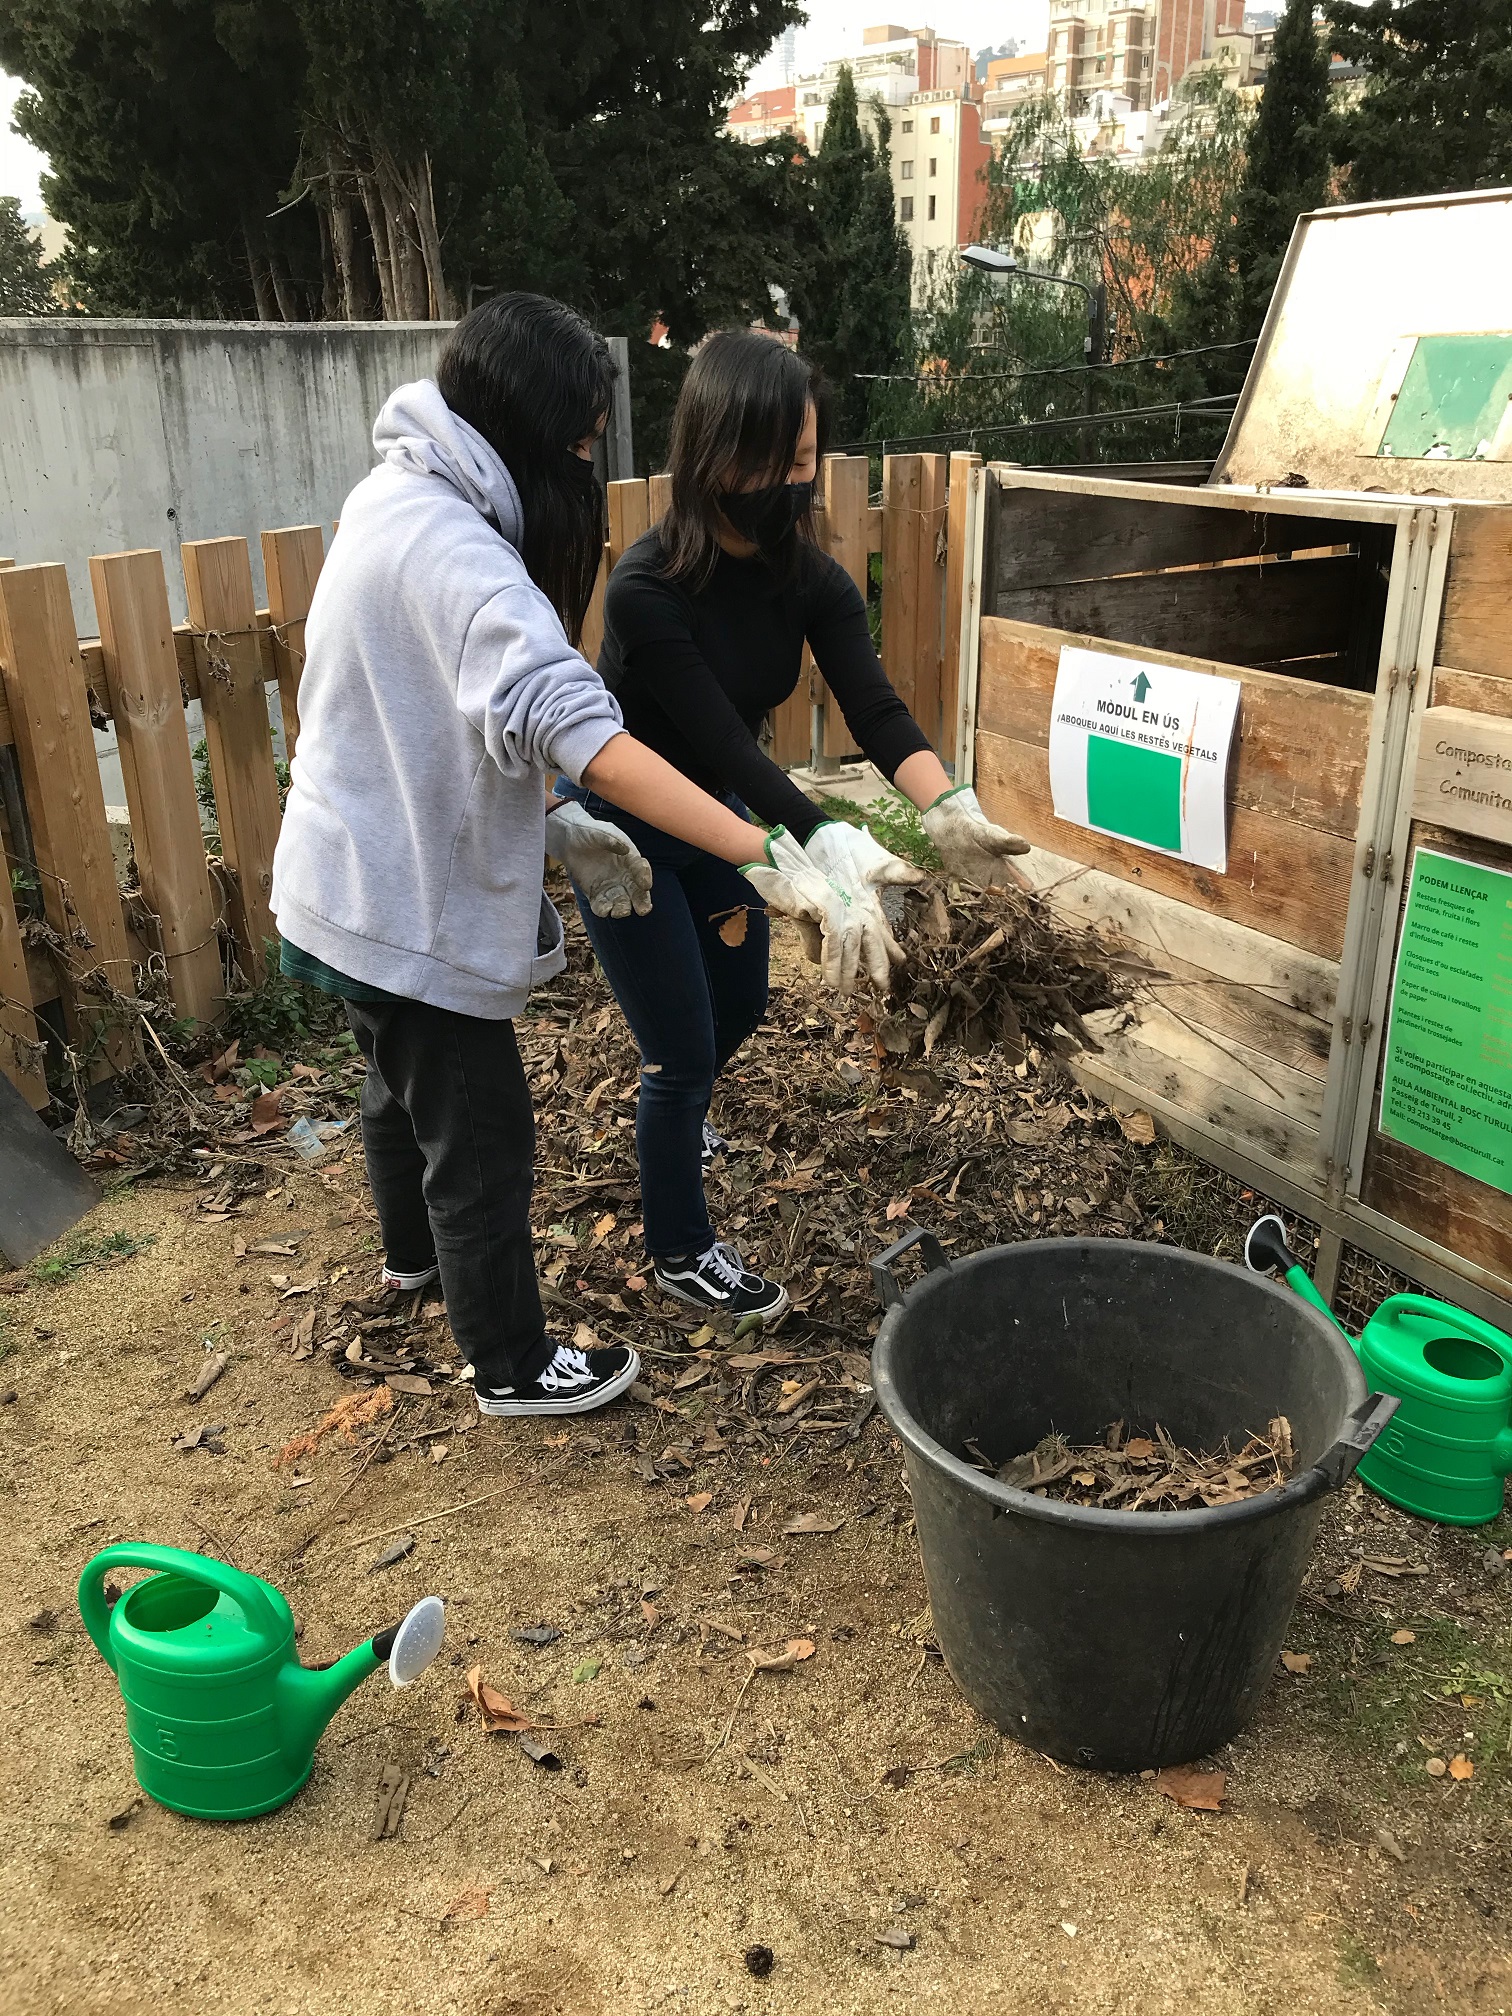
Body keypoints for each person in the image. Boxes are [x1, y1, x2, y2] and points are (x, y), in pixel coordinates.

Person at [270, 295, 859, 1419]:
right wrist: (774, 854)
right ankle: (512, 1364)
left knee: (395, 1085)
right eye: (586, 443)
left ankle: (410, 1259)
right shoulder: (462, 554)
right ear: (537, 431)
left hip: (338, 883)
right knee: (481, 1134)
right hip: (404, 902)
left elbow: (435, 712)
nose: (590, 469)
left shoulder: (394, 498)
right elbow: (584, 728)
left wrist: (548, 814)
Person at [556, 329, 1028, 1327]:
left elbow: (877, 710)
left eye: (805, 460)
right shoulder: (646, 588)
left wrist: (947, 805)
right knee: (679, 1049)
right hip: (626, 834)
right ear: (711, 456)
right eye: (769, 461)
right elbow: (727, 745)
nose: (789, 483)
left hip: (720, 823)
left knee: (737, 1002)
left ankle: (679, 1120)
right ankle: (681, 1249)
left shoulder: (809, 580)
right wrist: (819, 837)